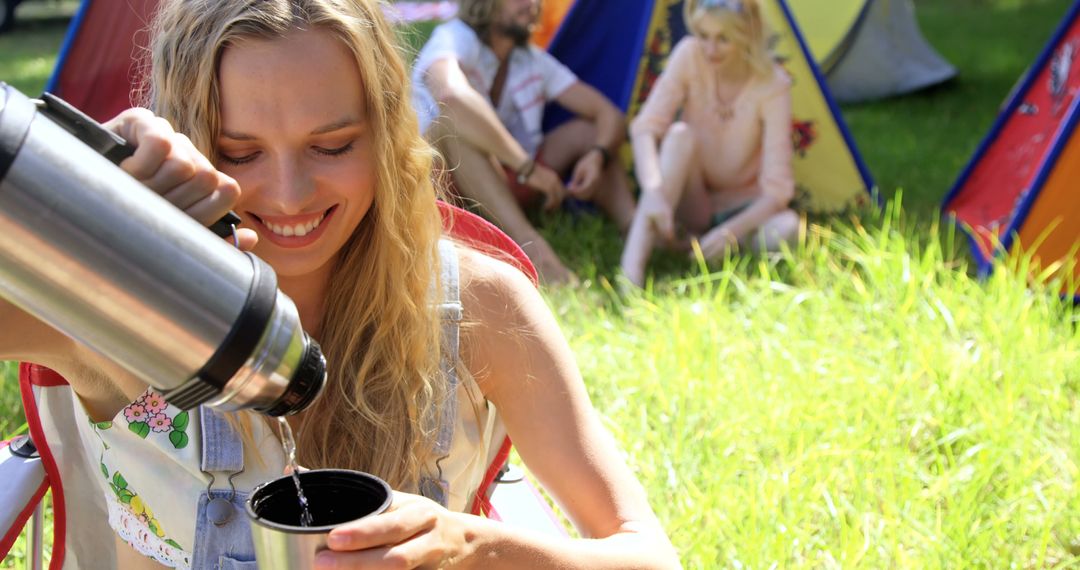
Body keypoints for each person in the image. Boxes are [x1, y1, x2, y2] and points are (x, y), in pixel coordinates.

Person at [0, 1, 680, 568]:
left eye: (333, 146)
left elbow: (647, 554)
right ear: (189, 137)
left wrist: (476, 545)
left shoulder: (478, 308)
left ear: (388, 133)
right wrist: (68, 202)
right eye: (241, 152)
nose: (291, 196)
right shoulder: (113, 307)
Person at [412, 0, 637, 284]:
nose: (531, 4)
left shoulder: (529, 60)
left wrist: (598, 154)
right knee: (451, 125)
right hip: (438, 191)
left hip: (502, 183)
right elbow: (451, 95)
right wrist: (527, 167)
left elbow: (609, 114)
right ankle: (532, 251)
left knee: (588, 133)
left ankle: (638, 231)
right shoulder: (454, 37)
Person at [620, 0, 800, 287]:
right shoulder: (689, 55)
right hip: (694, 198)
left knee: (786, 229)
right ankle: (630, 275)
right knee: (679, 135)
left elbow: (777, 190)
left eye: (723, 39)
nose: (710, 49)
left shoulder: (772, 84)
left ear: (746, 36)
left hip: (742, 205)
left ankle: (713, 250)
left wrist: (731, 231)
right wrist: (653, 191)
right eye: (703, 35)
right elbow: (645, 127)